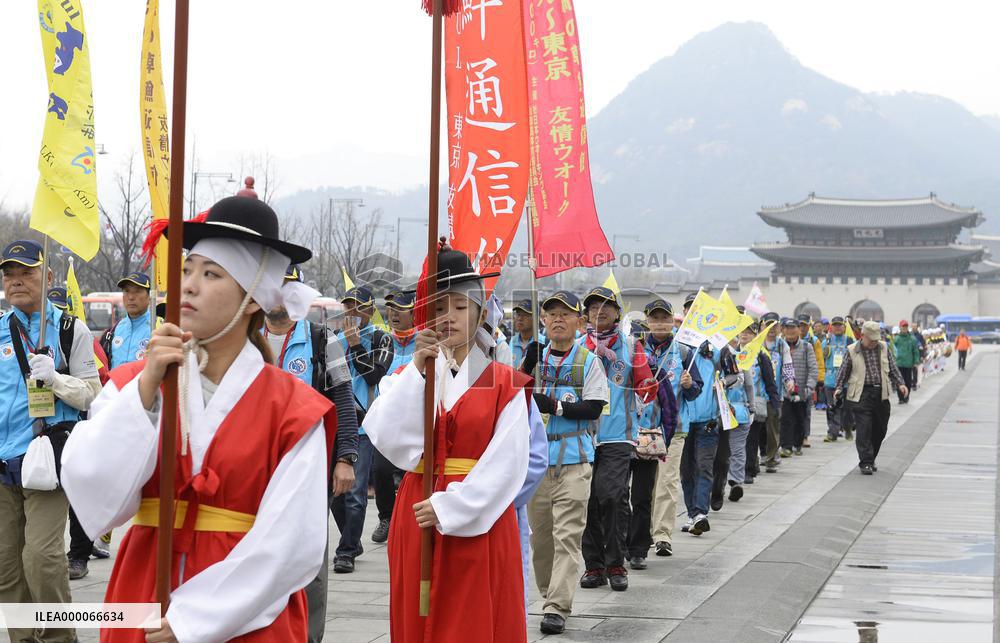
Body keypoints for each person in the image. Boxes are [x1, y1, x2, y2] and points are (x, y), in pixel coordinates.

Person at [62, 196, 335, 642]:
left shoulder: (293, 408)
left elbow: (293, 544)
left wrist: (197, 619)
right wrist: (146, 392)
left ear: (252, 300)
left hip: (244, 612)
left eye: (211, 275)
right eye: (187, 269)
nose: (187, 285)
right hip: (146, 583)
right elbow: (89, 483)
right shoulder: (135, 381)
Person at [363, 246, 532, 642]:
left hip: (477, 516)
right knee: (416, 619)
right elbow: (387, 438)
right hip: (415, 509)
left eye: (459, 306)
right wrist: (420, 371)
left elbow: (508, 464)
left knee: (472, 621)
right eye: (439, 307)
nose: (449, 317)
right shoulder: (407, 374)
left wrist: (451, 506)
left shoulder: (504, 382)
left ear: (478, 312)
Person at [0, 239, 101, 643]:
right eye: (10, 273)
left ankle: (59, 638)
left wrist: (56, 379)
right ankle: (22, 638)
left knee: (41, 558)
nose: (17, 281)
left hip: (44, 459)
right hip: (2, 464)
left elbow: (93, 392)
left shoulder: (67, 328)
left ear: (48, 276)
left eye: (27, 271)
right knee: (7, 565)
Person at [264, 264, 359, 643]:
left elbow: (344, 400)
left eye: (289, 289)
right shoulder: (245, 338)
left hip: (310, 468)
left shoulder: (323, 339)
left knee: (310, 565)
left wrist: (346, 457)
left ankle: (308, 636)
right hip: (257, 469)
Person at [519, 290, 608, 635]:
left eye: (565, 314)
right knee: (541, 539)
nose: (557, 319)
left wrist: (555, 406)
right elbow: (514, 392)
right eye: (551, 313)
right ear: (543, 320)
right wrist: (528, 363)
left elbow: (594, 407)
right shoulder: (535, 356)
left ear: (579, 322)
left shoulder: (589, 361)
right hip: (537, 461)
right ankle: (548, 592)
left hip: (574, 458)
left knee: (567, 536)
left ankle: (557, 605)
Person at [577, 286, 655, 592]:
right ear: (585, 314)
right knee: (588, 501)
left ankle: (616, 562)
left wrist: (650, 383)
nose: (600, 311)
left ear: (617, 314)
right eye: (594, 307)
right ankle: (594, 565)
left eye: (606, 306)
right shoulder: (576, 346)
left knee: (612, 496)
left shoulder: (630, 346)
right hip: (581, 436)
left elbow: (646, 386)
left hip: (618, 436)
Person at [330, 285, 394, 573]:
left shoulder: (382, 338)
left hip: (366, 424)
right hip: (339, 422)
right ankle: (351, 539)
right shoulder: (331, 340)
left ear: (369, 311)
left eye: (358, 307)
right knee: (334, 492)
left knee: (355, 490)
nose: (352, 313)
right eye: (348, 307)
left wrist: (356, 345)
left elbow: (374, 376)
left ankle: (346, 551)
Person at [643, 298, 701, 558]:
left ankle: (662, 534)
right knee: (644, 485)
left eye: (664, 318)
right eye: (654, 319)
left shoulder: (684, 352)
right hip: (642, 430)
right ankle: (641, 531)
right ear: (647, 321)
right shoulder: (634, 350)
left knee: (667, 482)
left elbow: (695, 392)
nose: (660, 323)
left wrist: (689, 385)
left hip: (673, 429)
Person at [625, 304, 680, 570]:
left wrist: (663, 440)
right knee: (616, 495)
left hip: (648, 439)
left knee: (643, 496)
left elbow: (670, 409)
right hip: (620, 439)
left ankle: (639, 548)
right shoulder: (618, 366)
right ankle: (622, 542)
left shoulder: (657, 368)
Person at [369, 290, 418, 546]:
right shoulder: (383, 341)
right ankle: (386, 517)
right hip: (388, 419)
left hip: (415, 421)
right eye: (390, 308)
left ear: (414, 313)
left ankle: (410, 518)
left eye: (400, 309)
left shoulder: (424, 341)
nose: (393, 314)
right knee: (380, 470)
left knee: (413, 473)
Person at [834, 321, 908, 475]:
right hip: (861, 394)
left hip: (881, 393)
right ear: (863, 336)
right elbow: (843, 371)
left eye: (876, 339)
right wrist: (839, 388)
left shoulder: (883, 347)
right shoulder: (852, 350)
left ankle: (871, 456)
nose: (875, 342)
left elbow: (893, 367)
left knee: (880, 429)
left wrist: (901, 384)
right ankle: (865, 462)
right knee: (864, 428)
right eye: (872, 339)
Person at [678, 292, 722, 536]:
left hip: (707, 419)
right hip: (682, 420)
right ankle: (692, 513)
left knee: (704, 467)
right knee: (686, 471)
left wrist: (722, 383)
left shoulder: (716, 347)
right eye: (689, 309)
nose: (693, 313)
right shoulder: (676, 345)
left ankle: (701, 513)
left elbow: (735, 374)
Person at [721, 327, 757, 502]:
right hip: (723, 412)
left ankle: (734, 482)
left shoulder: (740, 359)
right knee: (733, 450)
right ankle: (731, 481)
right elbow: (749, 386)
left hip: (734, 411)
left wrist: (752, 408)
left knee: (732, 449)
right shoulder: (715, 356)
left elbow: (749, 385)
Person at [744, 324, 779, 485]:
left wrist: (775, 402)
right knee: (738, 441)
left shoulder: (761, 355)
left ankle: (749, 470)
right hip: (735, 404)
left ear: (755, 335)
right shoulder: (732, 354)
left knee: (752, 439)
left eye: (749, 333)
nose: (744, 335)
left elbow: (769, 380)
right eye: (742, 332)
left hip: (756, 404)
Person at [780, 318, 818, 457]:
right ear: (783, 330)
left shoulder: (806, 346)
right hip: (783, 391)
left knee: (800, 418)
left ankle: (797, 444)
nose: (790, 331)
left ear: (798, 330)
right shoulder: (780, 346)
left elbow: (813, 369)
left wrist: (809, 387)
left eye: (793, 328)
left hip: (801, 390)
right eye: (787, 328)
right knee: (785, 419)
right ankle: (786, 446)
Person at [761, 312, 793, 472]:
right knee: (757, 428)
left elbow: (787, 365)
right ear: (763, 326)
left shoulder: (782, 345)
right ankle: (759, 456)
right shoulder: (758, 343)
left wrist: (789, 381)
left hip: (775, 394)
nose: (772, 329)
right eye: (768, 325)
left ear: (780, 327)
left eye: (775, 325)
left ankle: (772, 458)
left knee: (773, 428)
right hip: (758, 394)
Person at [796, 314, 825, 447]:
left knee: (806, 410)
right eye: (800, 325)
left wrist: (819, 379)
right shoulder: (788, 339)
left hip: (807, 380)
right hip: (792, 379)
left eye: (804, 325)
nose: (802, 328)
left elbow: (819, 361)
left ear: (809, 326)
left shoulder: (814, 341)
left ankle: (805, 436)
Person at [822, 317, 852, 442]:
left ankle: (848, 428)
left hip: (846, 381)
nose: (837, 327)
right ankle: (832, 432)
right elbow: (822, 358)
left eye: (840, 325)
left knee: (847, 408)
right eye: (835, 325)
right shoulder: (826, 341)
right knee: (831, 407)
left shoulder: (850, 341)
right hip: (830, 379)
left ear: (844, 327)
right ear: (831, 327)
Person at [893, 321, 920, 404]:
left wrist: (916, 361)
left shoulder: (912, 339)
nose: (904, 328)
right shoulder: (897, 339)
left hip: (908, 364)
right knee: (899, 381)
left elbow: (916, 351)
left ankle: (906, 397)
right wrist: (894, 360)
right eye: (903, 327)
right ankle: (900, 398)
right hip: (899, 363)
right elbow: (893, 350)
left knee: (908, 382)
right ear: (900, 328)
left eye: (906, 327)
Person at [509, 299, 539, 367]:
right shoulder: (510, 342)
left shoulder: (544, 343)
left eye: (525, 315)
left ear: (536, 319)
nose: (519, 318)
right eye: (518, 314)